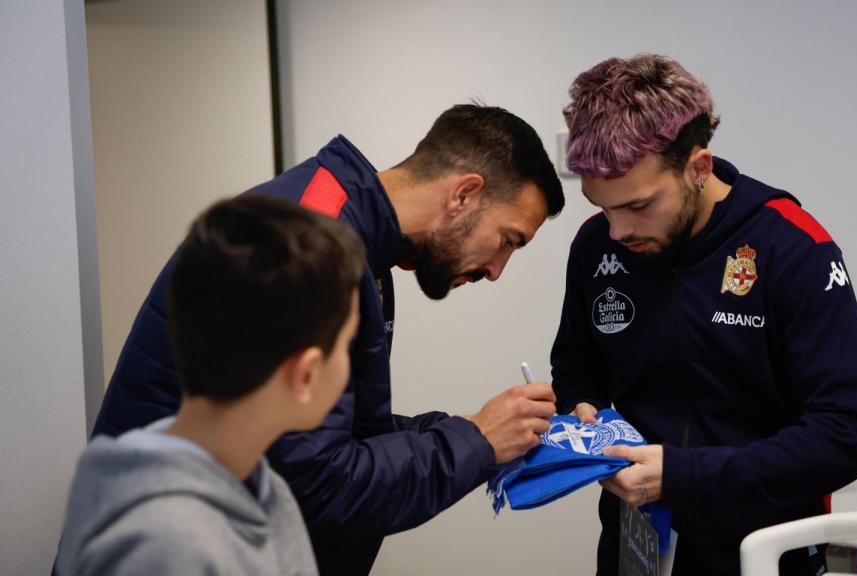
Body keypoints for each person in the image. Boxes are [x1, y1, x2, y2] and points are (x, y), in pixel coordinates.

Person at [90, 104, 564, 574]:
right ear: (463, 194)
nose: (498, 270)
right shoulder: (303, 253)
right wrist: (476, 440)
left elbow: (337, 432)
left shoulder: (356, 246)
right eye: (508, 239)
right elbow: (315, 485)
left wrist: (478, 429)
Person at [551, 54, 857, 575]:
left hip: (765, 553)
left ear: (698, 168)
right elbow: (577, 363)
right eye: (600, 205)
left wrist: (683, 475)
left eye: (638, 207)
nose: (616, 230)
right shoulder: (597, 245)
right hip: (635, 544)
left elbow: (848, 436)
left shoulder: (792, 248)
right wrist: (583, 408)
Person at [56, 196, 364, 575]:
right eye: (348, 345)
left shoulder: (263, 489)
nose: (351, 366)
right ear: (305, 375)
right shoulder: (165, 548)